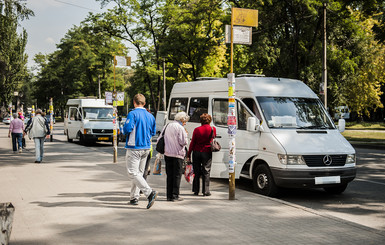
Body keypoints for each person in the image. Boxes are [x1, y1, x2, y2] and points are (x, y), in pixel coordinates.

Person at [123, 94, 158, 209]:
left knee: (133, 173)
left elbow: (127, 129)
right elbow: (153, 132)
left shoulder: (132, 114)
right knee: (139, 173)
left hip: (134, 146)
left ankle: (149, 192)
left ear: (134, 102)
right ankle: (134, 197)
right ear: (144, 103)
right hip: (146, 147)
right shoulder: (150, 116)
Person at [159, 111, 189, 201]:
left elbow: (161, 137)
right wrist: (186, 135)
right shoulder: (180, 128)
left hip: (167, 153)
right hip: (177, 154)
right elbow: (183, 142)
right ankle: (175, 195)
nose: (185, 123)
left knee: (169, 175)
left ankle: (169, 195)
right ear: (182, 119)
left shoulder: (167, 126)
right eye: (185, 121)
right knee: (177, 175)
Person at [187, 113, 216, 196]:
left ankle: (196, 190)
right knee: (206, 171)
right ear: (209, 120)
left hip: (196, 152)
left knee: (196, 171)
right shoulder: (213, 129)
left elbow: (192, 142)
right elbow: (212, 139)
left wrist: (189, 154)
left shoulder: (197, 129)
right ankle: (206, 191)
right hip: (207, 152)